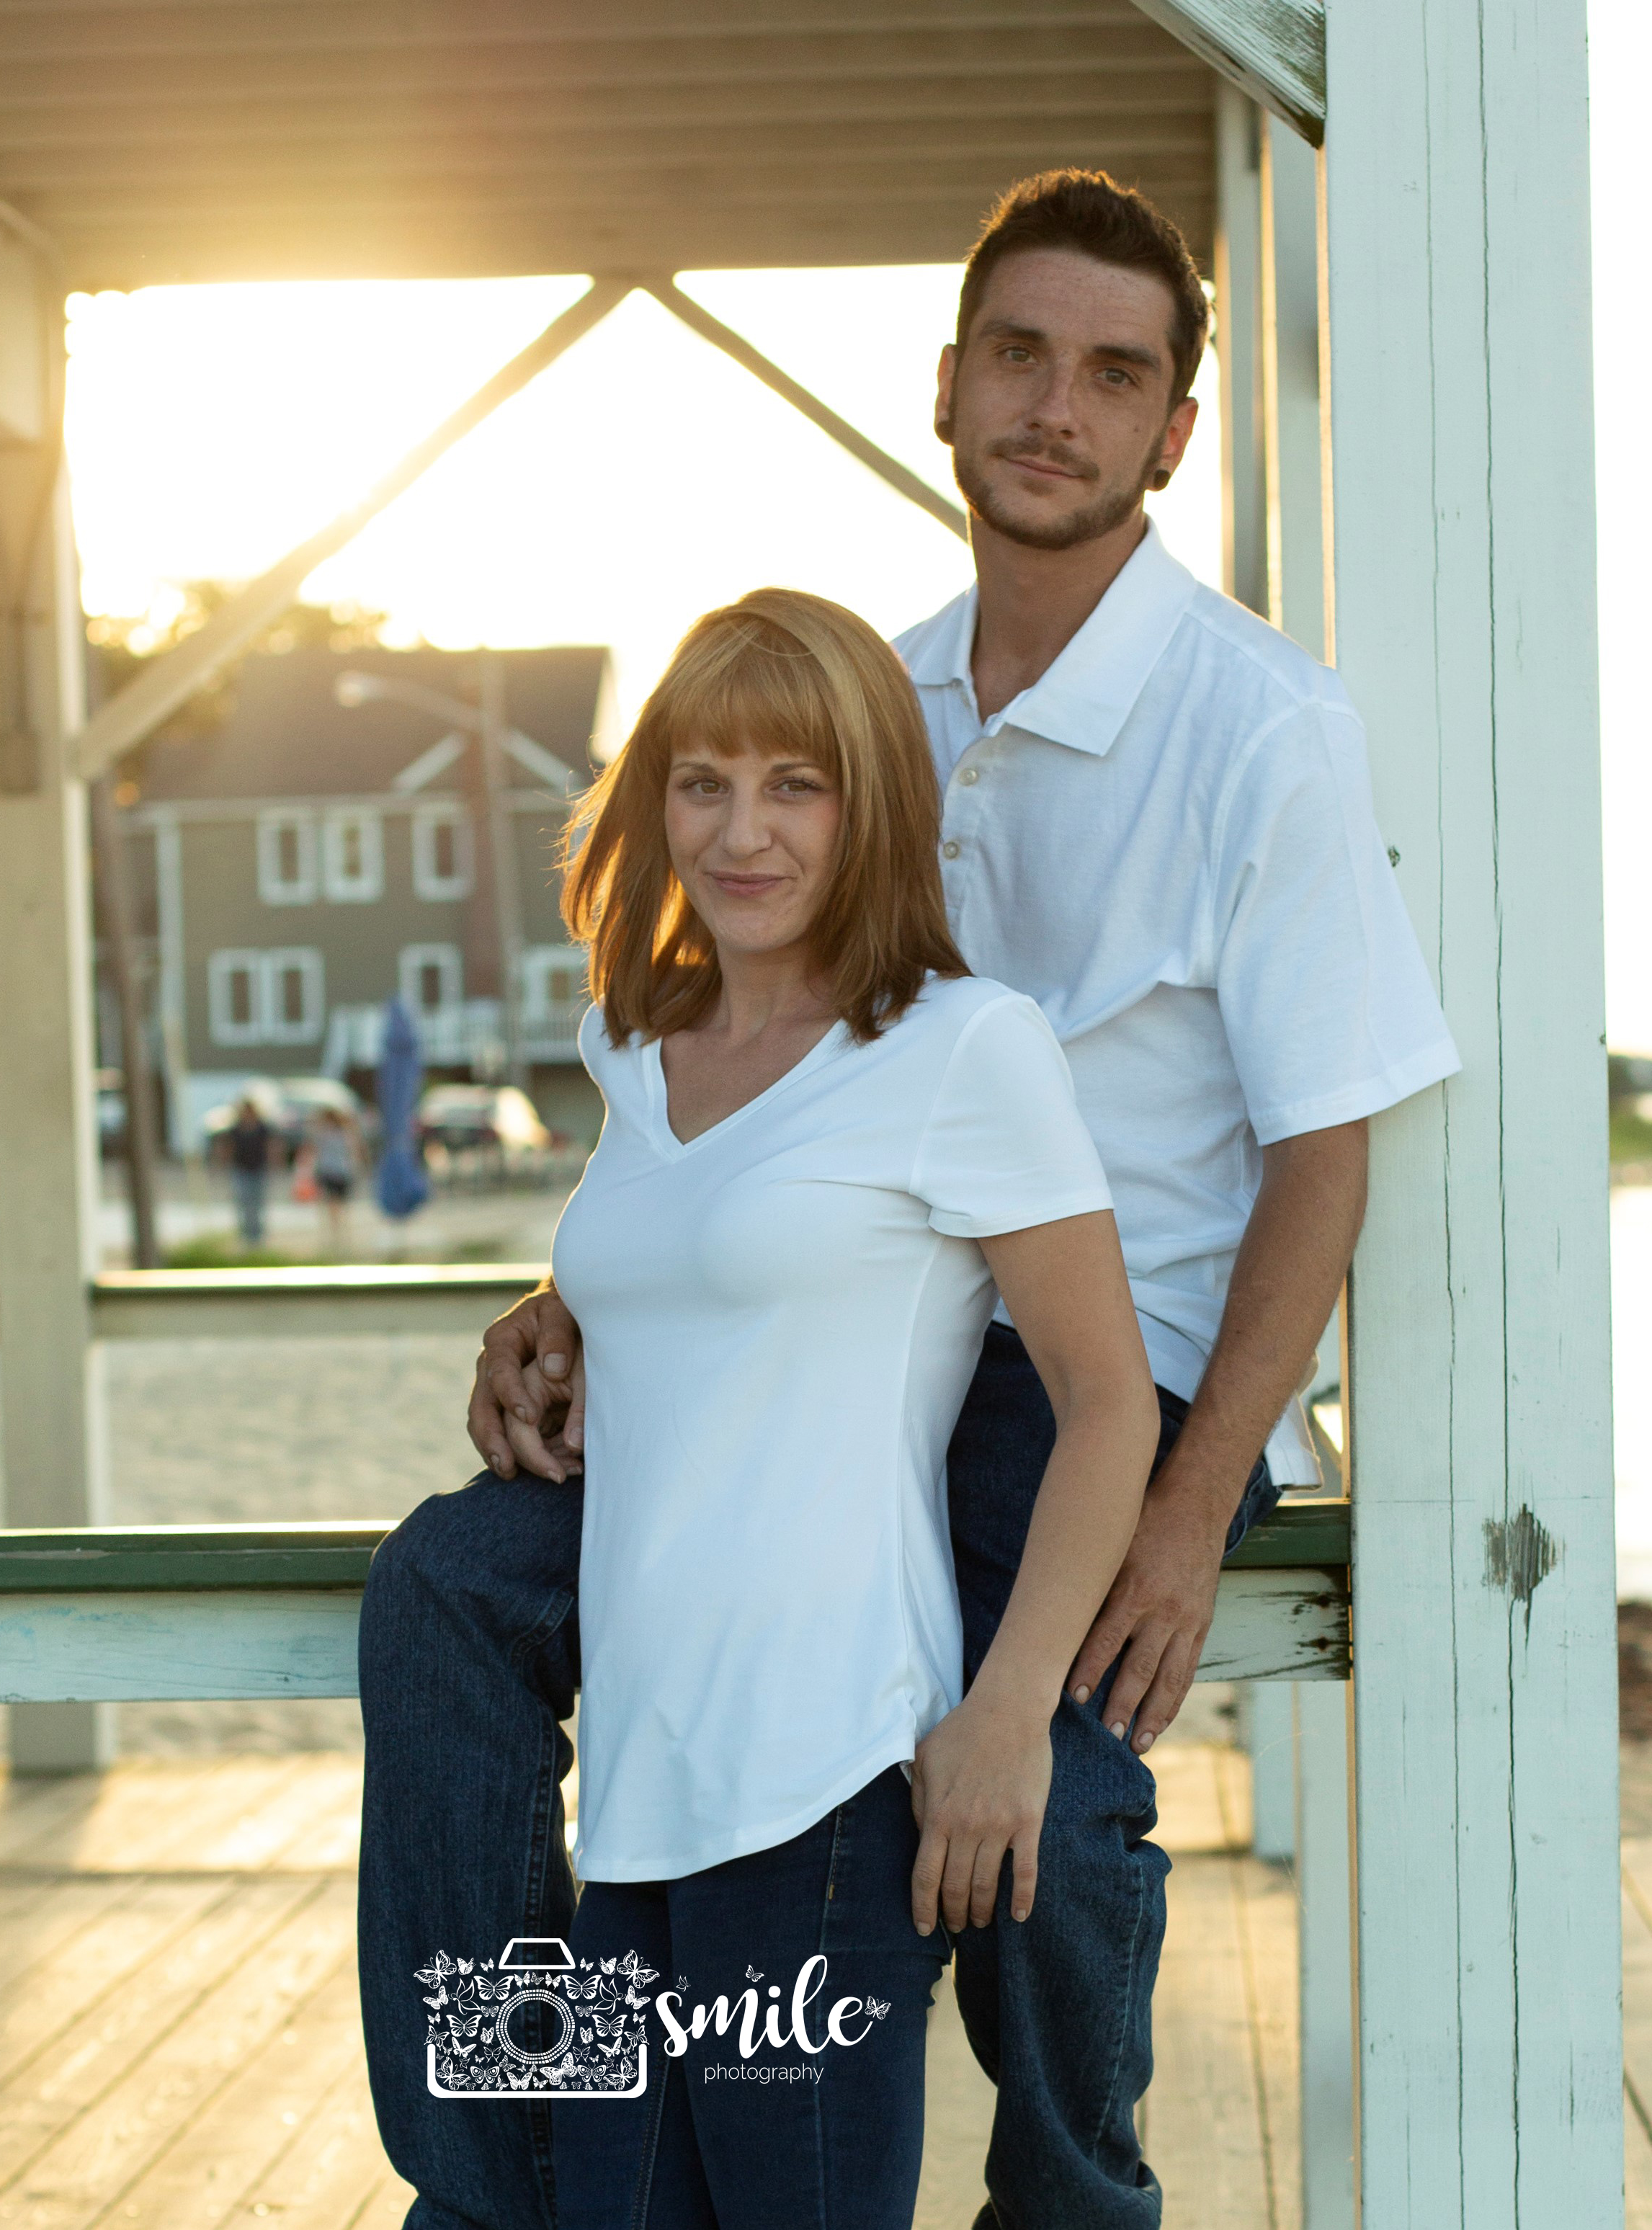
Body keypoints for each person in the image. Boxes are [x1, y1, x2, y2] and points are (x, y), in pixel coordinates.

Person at [363, 170, 1461, 2227]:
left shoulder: (1260, 728)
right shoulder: (863, 693)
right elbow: (751, 1082)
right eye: (1018, 358)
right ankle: (495, 2158)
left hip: (1095, 1357)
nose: (1054, 406)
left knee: (1045, 1745)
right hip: (854, 1319)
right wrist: (583, 1293)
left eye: (1110, 374)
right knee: (456, 1582)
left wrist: (1190, 1491)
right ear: (948, 384)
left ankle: (1066, 2193)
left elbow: (1326, 1140)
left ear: (1168, 434)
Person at [224, 1094, 274, 1247]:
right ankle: (246, 1234)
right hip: (242, 1169)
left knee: (257, 1203)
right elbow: (229, 1146)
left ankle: (256, 1235)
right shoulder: (237, 1128)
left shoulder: (261, 1127)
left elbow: (270, 1145)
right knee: (244, 1202)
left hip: (258, 1168)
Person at [309, 1105, 360, 1252]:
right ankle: (338, 1233)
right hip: (332, 1172)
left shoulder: (336, 1134)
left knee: (336, 1203)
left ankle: (338, 1232)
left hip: (337, 1171)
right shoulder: (336, 1134)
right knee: (334, 1203)